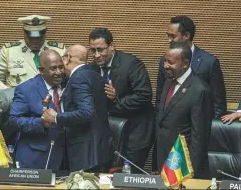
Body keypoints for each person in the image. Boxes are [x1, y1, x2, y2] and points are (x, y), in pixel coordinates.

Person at [88, 27, 155, 172]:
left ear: (112, 46)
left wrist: (116, 99)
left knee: (129, 175)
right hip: (110, 134)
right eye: (93, 51)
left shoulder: (131, 64)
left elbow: (144, 95)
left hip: (136, 132)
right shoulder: (91, 69)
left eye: (101, 49)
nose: (96, 55)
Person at [42, 45, 112, 172]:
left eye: (63, 58)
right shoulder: (95, 75)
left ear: (67, 58)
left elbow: (87, 112)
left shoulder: (78, 78)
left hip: (86, 153)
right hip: (101, 150)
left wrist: (56, 117)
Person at [156, 41, 213, 179]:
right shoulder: (169, 81)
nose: (165, 66)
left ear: (185, 63)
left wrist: (190, 172)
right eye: (165, 61)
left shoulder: (200, 90)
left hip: (183, 164)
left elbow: (199, 136)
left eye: (170, 62)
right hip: (163, 158)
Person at [156, 15, 226, 118]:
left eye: (173, 36)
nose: (169, 40)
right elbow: (160, 99)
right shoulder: (165, 61)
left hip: (198, 125)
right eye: (168, 36)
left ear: (186, 35)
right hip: (170, 126)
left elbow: (218, 105)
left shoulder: (209, 63)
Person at [9, 50, 65, 169]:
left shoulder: (68, 85)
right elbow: (14, 120)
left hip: (65, 157)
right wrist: (41, 123)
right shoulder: (26, 89)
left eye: (61, 67)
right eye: (53, 68)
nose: (59, 72)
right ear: (41, 70)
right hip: (36, 157)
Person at [0, 14, 66, 91]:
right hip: (19, 101)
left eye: (39, 36)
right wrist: (11, 94)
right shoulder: (9, 51)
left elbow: (69, 77)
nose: (35, 40)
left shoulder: (59, 51)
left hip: (52, 100)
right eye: (31, 36)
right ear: (24, 33)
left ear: (45, 33)